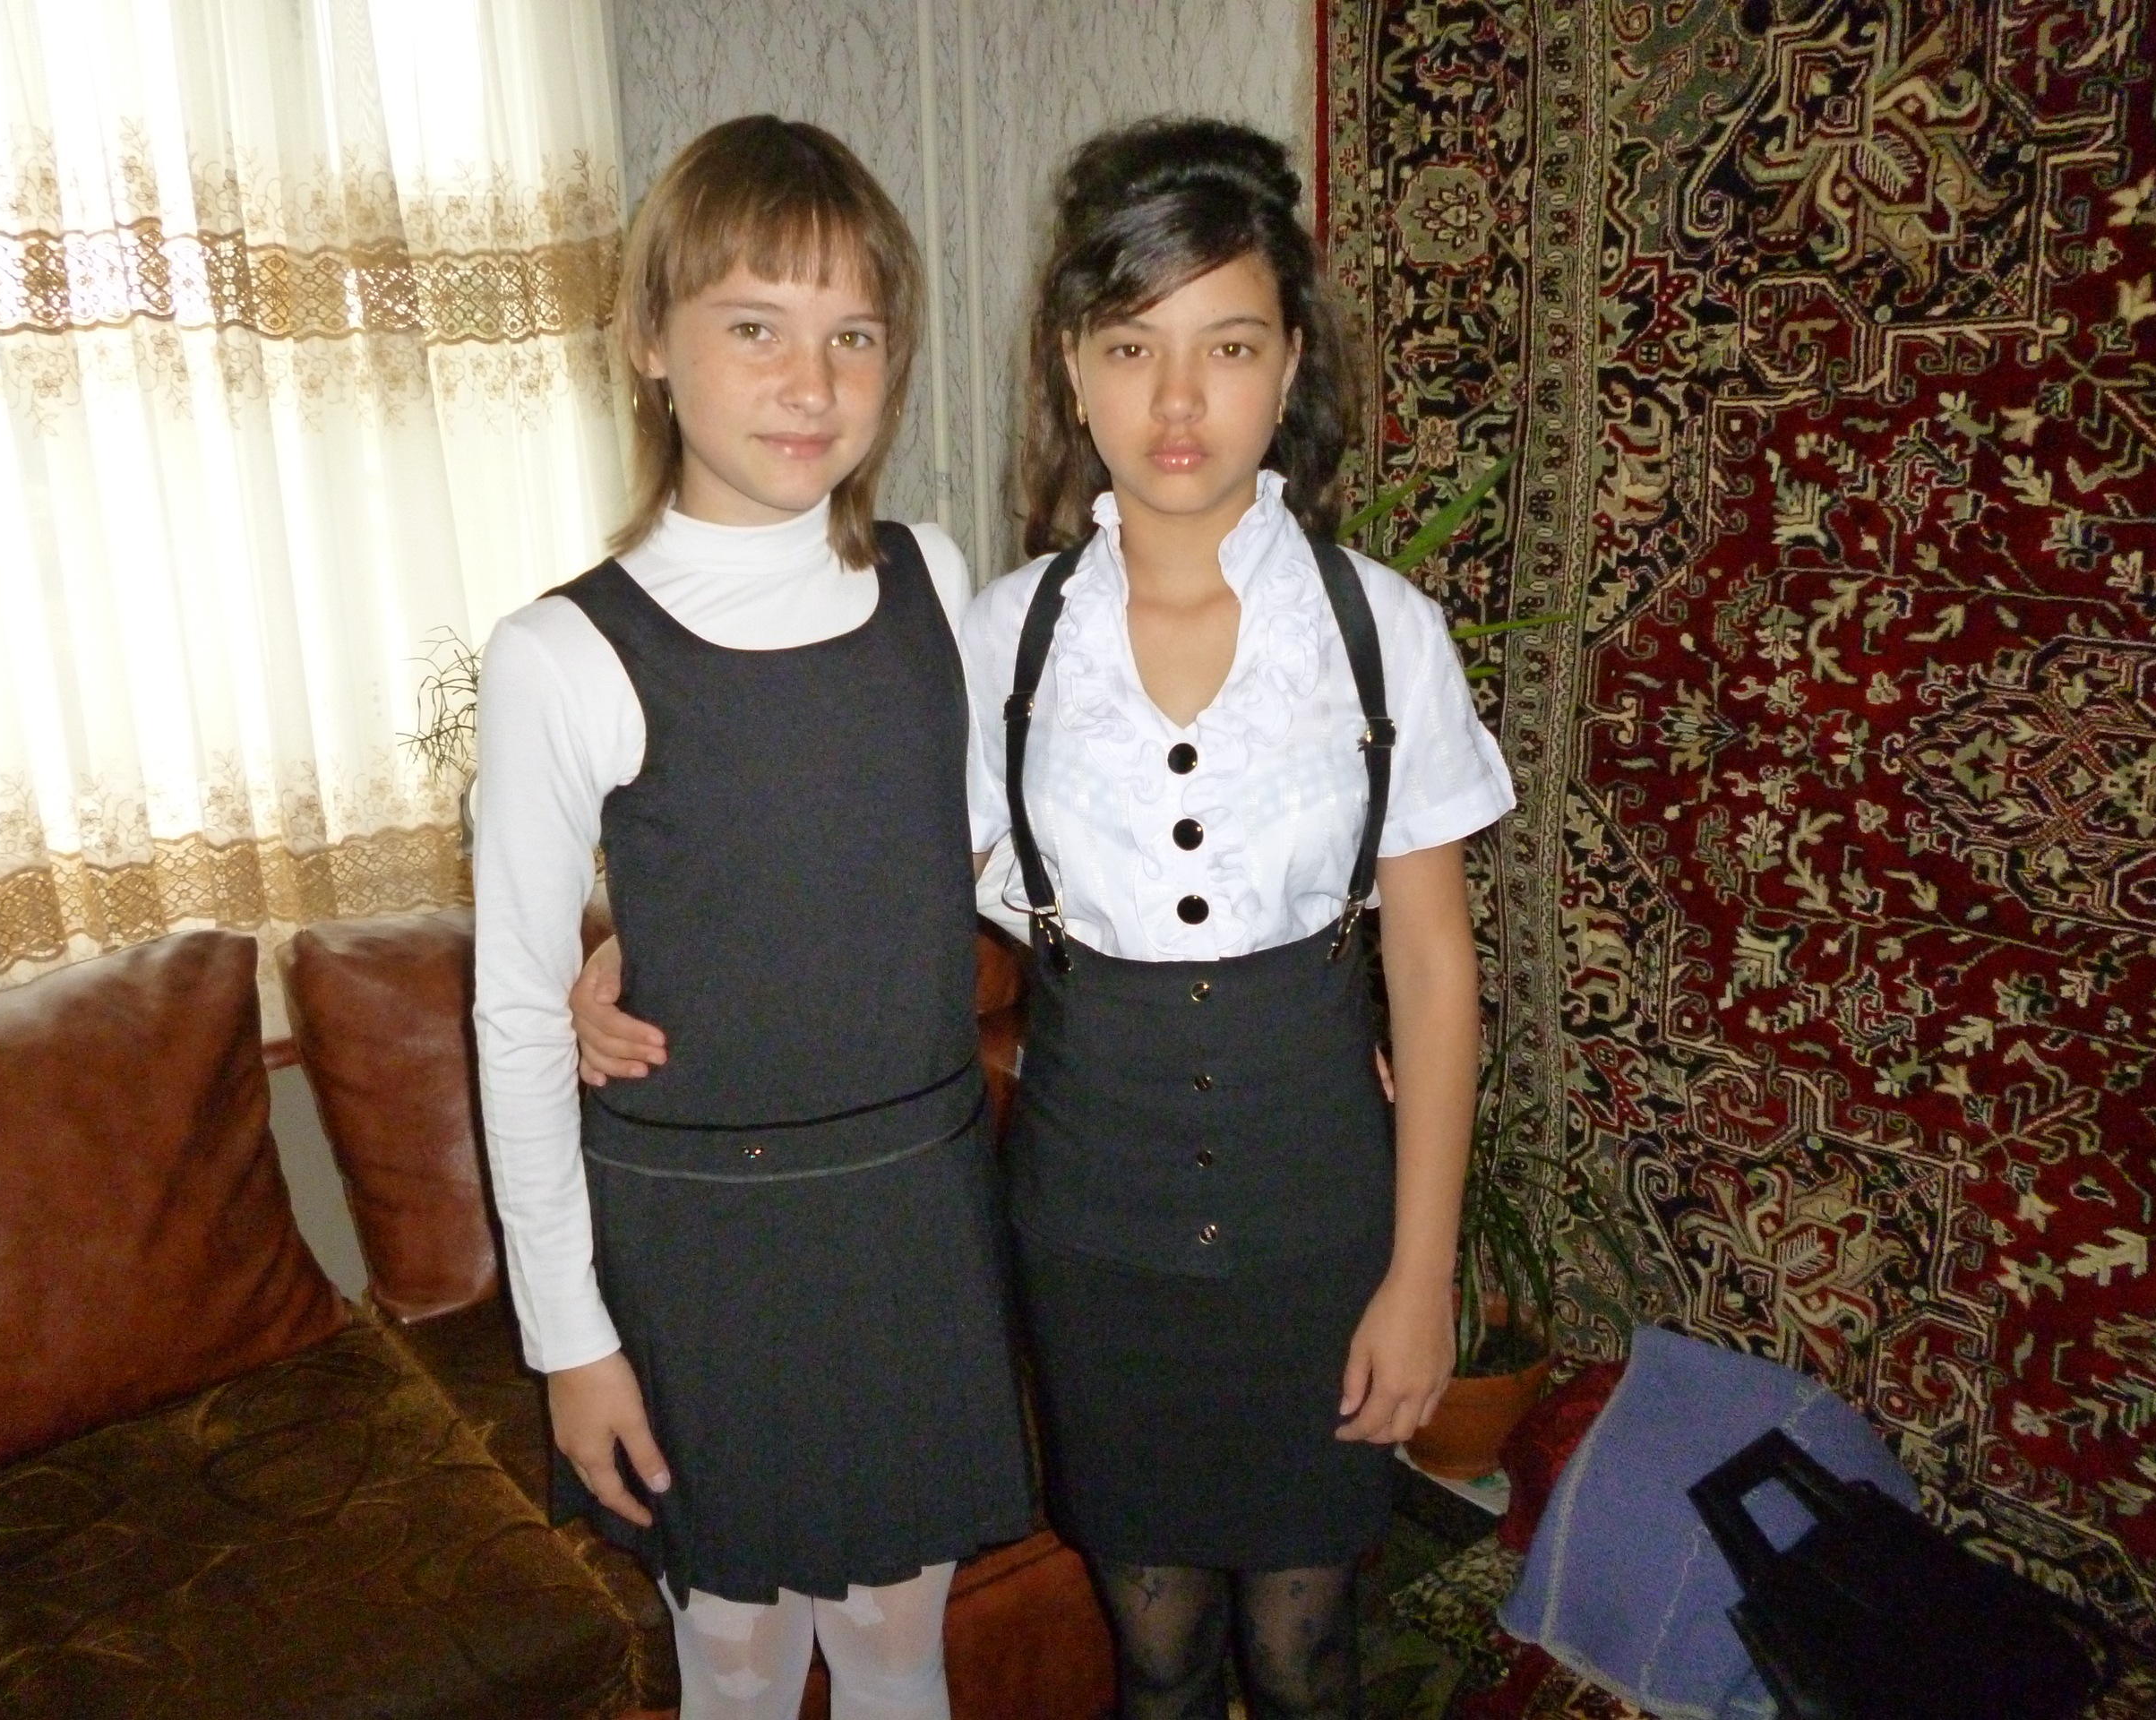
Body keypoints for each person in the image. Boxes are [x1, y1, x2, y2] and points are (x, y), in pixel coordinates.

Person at [575, 117, 1514, 1720]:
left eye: (1229, 346)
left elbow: (1431, 969)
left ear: (1291, 366)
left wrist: (1423, 1272)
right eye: (1131, 346)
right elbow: (832, 852)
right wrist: (621, 947)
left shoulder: (1382, 633)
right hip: (1091, 1220)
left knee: (1308, 1650)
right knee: (1153, 1646)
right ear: (1072, 371)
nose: (1177, 401)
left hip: (1318, 1203)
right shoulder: (995, 638)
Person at [472, 115, 1032, 1720]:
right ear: (652, 342)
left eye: (854, 333)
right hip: (701, 1241)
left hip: (913, 1210)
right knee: (732, 1655)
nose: (812, 382)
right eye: (755, 327)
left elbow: (994, 861)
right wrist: (570, 1340)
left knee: (899, 1643)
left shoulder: (932, 576)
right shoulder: (561, 654)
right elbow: (513, 1013)